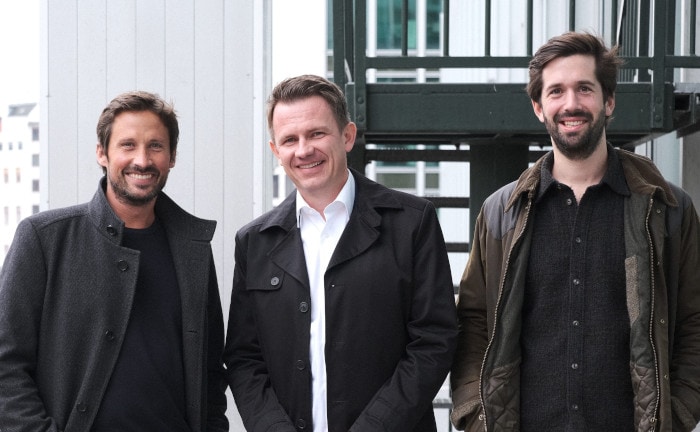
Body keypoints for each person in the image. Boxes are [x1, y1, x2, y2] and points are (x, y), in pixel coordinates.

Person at [450, 31, 700, 431]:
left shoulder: (667, 208)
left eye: (585, 88)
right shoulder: (502, 212)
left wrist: (680, 411)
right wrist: (476, 413)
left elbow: (694, 320)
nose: (571, 104)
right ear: (538, 107)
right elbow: (474, 322)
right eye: (556, 91)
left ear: (609, 100)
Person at [224, 74, 458, 431]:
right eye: (290, 139)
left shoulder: (412, 223)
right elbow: (244, 359)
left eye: (317, 133)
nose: (304, 150)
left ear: (347, 136)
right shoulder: (254, 242)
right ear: (276, 151)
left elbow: (434, 341)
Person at [0, 91, 228, 431]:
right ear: (102, 153)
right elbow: (6, 366)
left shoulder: (192, 248)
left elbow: (209, 372)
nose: (142, 160)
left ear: (172, 156)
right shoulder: (43, 238)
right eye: (127, 145)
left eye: (155, 146)